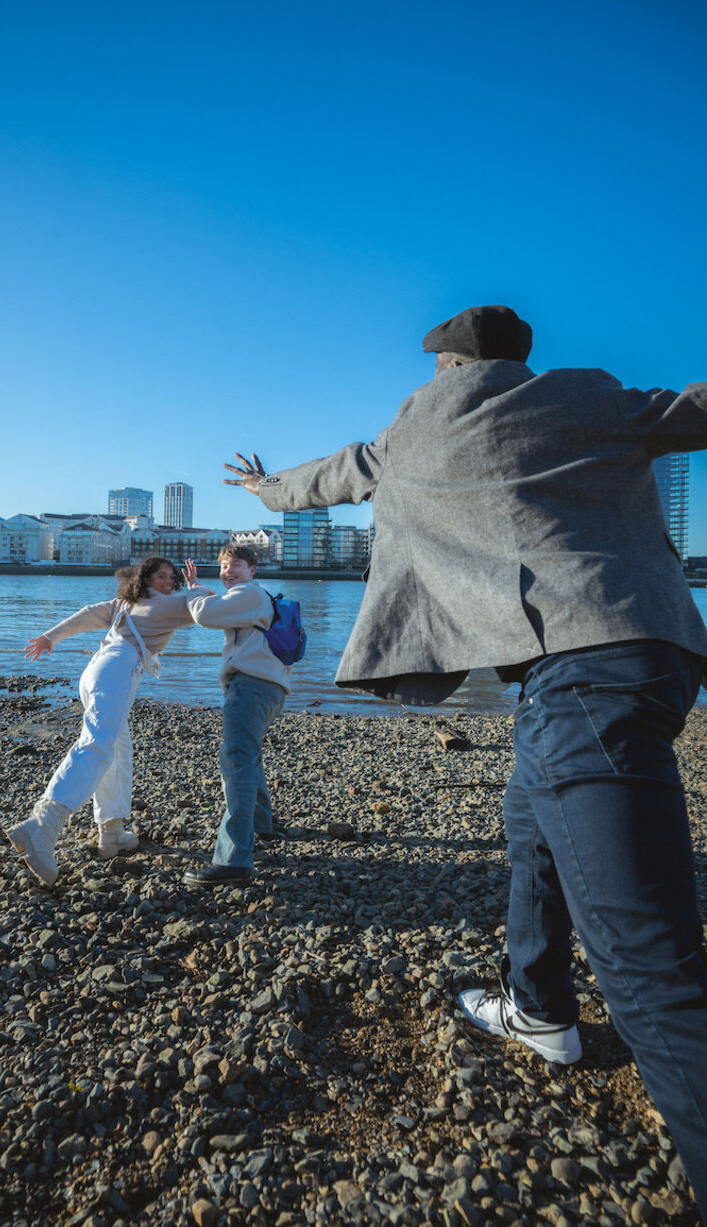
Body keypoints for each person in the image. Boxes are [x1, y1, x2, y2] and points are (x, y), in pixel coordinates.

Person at [223, 304, 707, 1216]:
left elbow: (331, 476)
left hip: (585, 678)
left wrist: (263, 489)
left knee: (650, 966)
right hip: (655, 654)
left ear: (444, 366)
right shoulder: (592, 398)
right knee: (529, 819)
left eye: (437, 365)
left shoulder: (422, 423)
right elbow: (693, 405)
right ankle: (542, 1010)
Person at [8, 557, 207, 886]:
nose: (169, 581)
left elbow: (87, 615)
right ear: (145, 579)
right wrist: (197, 587)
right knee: (97, 746)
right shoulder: (167, 606)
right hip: (116, 671)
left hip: (95, 672)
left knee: (118, 748)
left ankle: (111, 833)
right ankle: (42, 825)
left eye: (173, 577)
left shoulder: (126, 603)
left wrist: (50, 637)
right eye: (161, 576)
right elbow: (208, 610)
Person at [181, 545, 290, 887]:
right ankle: (260, 826)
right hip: (267, 687)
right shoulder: (255, 597)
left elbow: (203, 615)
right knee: (249, 755)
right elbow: (220, 611)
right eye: (225, 566)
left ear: (252, 570)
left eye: (236, 565)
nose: (229, 570)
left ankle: (234, 859)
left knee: (237, 761)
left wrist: (195, 590)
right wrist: (208, 593)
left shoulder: (249, 593)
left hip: (251, 686)